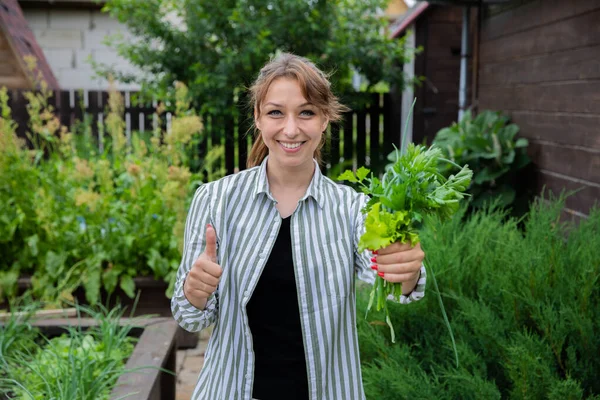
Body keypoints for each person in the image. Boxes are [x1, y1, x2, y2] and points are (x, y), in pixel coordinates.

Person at [171, 53, 427, 400]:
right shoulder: (216, 200)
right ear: (258, 118)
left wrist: (405, 273)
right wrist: (194, 292)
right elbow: (190, 319)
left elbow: (391, 286)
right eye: (276, 112)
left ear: (324, 120)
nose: (291, 129)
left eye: (306, 112)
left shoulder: (352, 208)